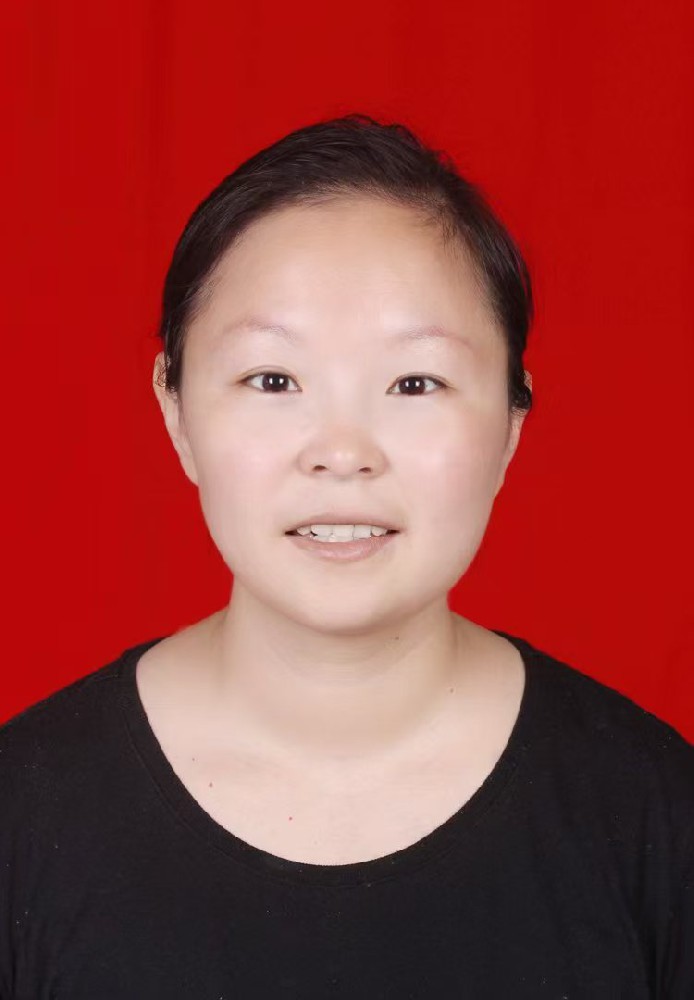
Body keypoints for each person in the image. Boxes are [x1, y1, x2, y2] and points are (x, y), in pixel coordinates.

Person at [1, 114, 692, 998]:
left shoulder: (653, 815)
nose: (341, 452)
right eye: (272, 379)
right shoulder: (26, 815)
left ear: (512, 425)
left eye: (416, 382)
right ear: (175, 412)